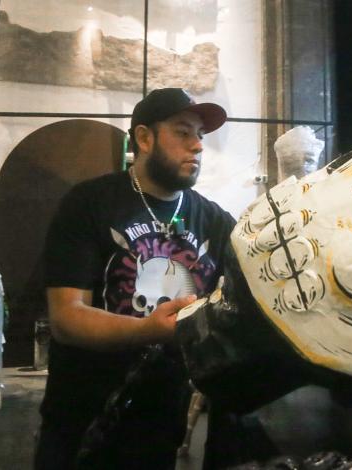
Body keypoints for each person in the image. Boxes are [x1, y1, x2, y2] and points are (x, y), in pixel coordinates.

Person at [35, 88, 236, 469]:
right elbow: (66, 318)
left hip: (161, 423)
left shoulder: (215, 221)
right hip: (83, 419)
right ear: (143, 138)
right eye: (182, 132)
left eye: (201, 136)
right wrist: (150, 330)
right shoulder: (88, 204)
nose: (197, 146)